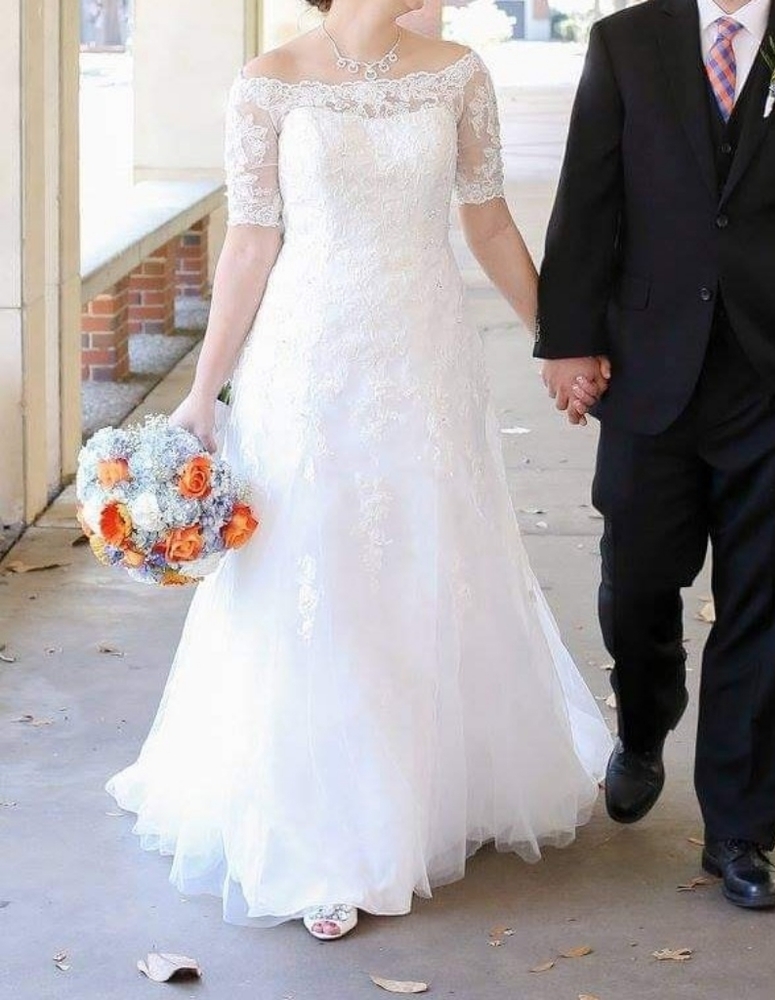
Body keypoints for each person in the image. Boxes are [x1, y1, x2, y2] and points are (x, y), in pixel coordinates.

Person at [106, 0, 612, 939]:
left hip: (424, 359)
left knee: (424, 559)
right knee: (315, 577)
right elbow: (251, 245)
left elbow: (491, 223)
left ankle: (421, 799)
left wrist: (563, 338)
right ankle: (320, 839)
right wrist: (203, 392)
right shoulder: (268, 82)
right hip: (307, 363)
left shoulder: (458, 71)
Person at [536, 0, 775, 909]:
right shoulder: (625, 42)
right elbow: (587, 196)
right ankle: (647, 720)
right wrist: (569, 340)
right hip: (649, 365)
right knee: (638, 575)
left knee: (766, 598)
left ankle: (739, 832)